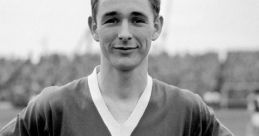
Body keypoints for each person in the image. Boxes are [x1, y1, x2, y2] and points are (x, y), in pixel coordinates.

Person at [0, 0, 234, 135]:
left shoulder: (188, 112)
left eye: (137, 19)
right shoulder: (52, 109)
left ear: (157, 27)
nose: (124, 34)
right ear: (94, 27)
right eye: (112, 19)